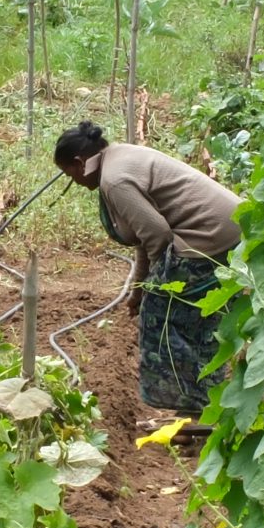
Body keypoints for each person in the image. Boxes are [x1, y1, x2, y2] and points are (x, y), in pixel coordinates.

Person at [53, 122, 240, 415]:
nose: (73, 181)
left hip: (208, 238)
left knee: (164, 318)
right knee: (185, 313)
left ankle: (196, 408)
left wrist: (154, 285)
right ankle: (204, 404)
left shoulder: (114, 180)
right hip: (227, 231)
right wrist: (139, 288)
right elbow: (144, 237)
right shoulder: (118, 156)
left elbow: (157, 235)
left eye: (69, 175)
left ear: (79, 163)